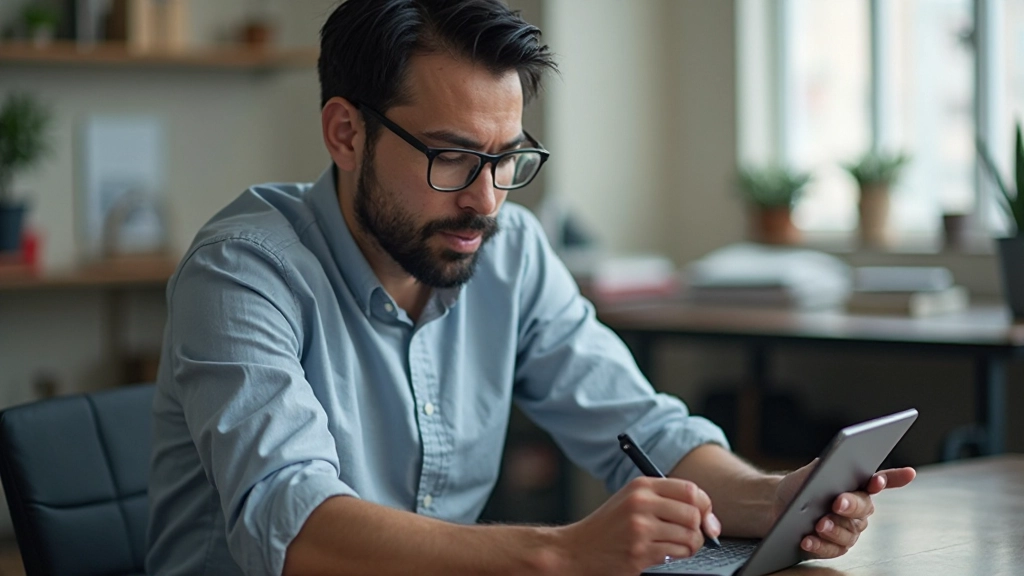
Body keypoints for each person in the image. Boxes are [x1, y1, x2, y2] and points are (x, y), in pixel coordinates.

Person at [146, 1, 916, 575]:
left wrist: (773, 500)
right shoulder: (242, 270)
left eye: (506, 159)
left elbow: (642, 430)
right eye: (452, 158)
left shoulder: (508, 250)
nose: (485, 201)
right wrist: (561, 553)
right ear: (346, 133)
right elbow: (295, 527)